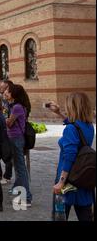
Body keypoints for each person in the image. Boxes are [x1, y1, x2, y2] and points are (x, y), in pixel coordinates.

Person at [47, 93, 95, 221]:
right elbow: (76, 126)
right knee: (85, 216)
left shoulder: (70, 129)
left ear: (72, 107)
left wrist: (61, 182)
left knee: (59, 217)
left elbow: (69, 156)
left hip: (67, 182)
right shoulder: (89, 126)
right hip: (83, 179)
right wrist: (59, 113)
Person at [4, 84, 32, 207]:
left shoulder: (17, 107)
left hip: (16, 139)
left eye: (8, 92)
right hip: (15, 139)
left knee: (21, 169)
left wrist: (2, 118)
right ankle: (20, 193)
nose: (6, 93)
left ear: (14, 94)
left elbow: (9, 123)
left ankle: (27, 198)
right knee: (18, 168)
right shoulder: (16, 106)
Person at [0, 80, 14, 185]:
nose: (1, 89)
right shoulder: (1, 98)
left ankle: (7, 176)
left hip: (8, 130)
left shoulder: (11, 101)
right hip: (1, 129)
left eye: (3, 88)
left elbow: (8, 115)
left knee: (7, 154)